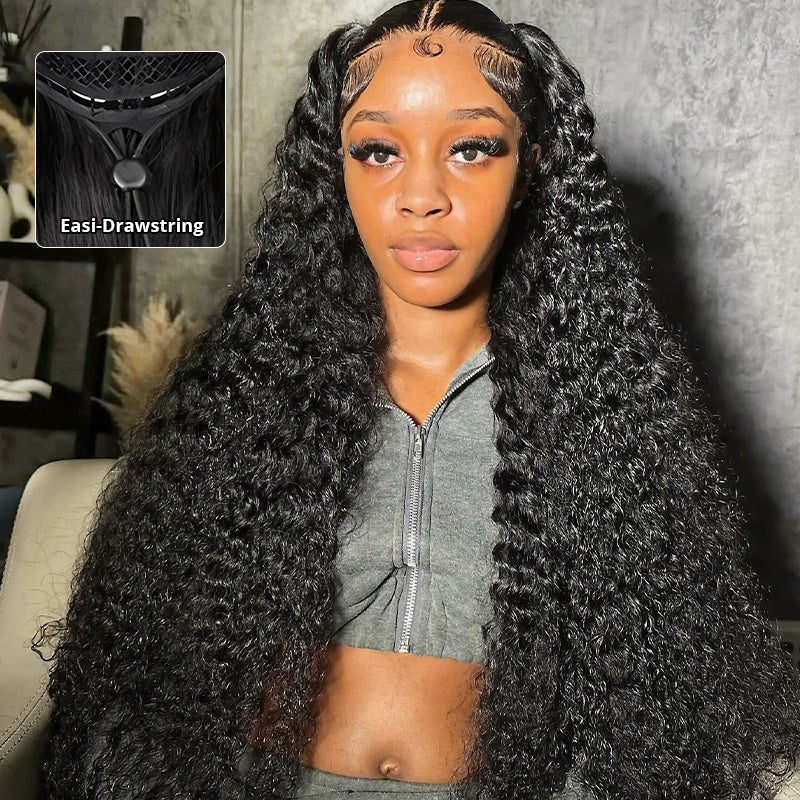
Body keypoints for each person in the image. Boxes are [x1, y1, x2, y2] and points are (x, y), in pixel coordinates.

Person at [40, 1, 800, 798]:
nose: (422, 194)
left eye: (472, 148)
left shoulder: (605, 410)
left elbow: (663, 697)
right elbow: (146, 683)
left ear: (530, 165)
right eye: (378, 151)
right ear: (336, 167)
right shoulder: (249, 392)